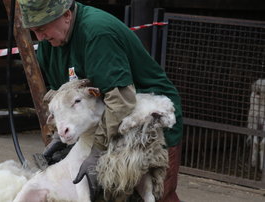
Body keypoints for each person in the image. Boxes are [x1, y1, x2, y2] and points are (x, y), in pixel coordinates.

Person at [18, 0, 183, 201]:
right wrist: (60, 139)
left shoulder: (97, 34)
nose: (40, 37)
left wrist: (96, 152)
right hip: (112, 123)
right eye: (34, 31)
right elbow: (65, 100)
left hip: (148, 120)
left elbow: (121, 100)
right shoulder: (48, 47)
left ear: (67, 16)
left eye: (43, 28)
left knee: (156, 194)